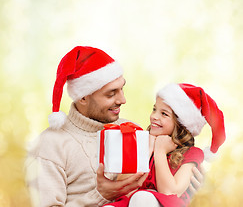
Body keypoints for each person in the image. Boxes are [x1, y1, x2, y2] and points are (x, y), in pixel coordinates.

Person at [25, 46, 203, 207]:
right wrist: (100, 195)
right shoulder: (50, 146)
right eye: (111, 94)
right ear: (83, 97)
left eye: (121, 89)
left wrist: (184, 193)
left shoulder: (133, 131)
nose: (122, 100)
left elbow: (159, 191)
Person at [103, 83, 226, 207]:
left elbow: (169, 192)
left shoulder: (192, 154)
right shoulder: (141, 142)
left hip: (161, 203)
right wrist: (148, 149)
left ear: (181, 124)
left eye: (164, 114)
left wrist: (160, 151)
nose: (154, 117)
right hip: (131, 202)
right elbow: (123, 188)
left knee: (142, 198)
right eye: (154, 109)